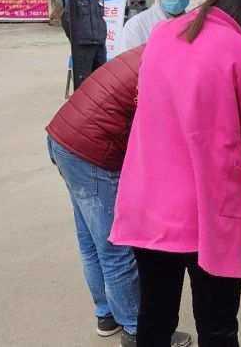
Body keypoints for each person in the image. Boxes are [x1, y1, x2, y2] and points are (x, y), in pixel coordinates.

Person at [109, 0, 241, 347]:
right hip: (206, 208)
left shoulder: (162, 34)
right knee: (217, 323)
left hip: (148, 200)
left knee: (155, 316)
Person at [46, 46, 192, 347]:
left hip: (64, 137)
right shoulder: (168, 68)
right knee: (117, 246)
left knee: (90, 240)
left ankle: (106, 314)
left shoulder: (153, 52)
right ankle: (135, 328)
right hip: (91, 151)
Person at [61, 0, 107, 85]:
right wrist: (75, 39)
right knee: (83, 80)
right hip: (84, 47)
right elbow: (66, 20)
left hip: (99, 45)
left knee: (101, 78)